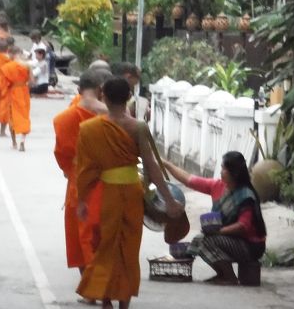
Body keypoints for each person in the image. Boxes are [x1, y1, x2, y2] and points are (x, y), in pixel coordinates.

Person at [76, 77, 184, 309]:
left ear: (103, 96)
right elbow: (152, 166)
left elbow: (86, 169)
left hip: (108, 196)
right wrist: (169, 200)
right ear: (128, 97)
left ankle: (106, 300)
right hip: (132, 194)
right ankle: (123, 302)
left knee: (106, 246)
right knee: (128, 249)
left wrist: (82, 200)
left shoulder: (91, 129)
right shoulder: (138, 127)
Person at [162, 152, 267, 285]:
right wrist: (166, 164)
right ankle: (222, 274)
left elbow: (243, 226)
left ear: (234, 172)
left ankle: (229, 277)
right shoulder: (218, 186)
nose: (221, 172)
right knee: (198, 240)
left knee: (207, 241)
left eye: (224, 168)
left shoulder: (246, 195)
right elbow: (189, 179)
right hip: (232, 239)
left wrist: (218, 232)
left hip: (250, 245)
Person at [53, 69, 112, 304]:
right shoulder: (115, 116)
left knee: (82, 238)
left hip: (79, 183)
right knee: (104, 237)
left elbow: (62, 155)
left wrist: (73, 173)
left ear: (80, 90)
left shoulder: (65, 118)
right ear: (101, 90)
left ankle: (91, 289)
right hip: (111, 183)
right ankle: (107, 287)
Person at [0, 46, 31, 151]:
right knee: (24, 116)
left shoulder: (7, 67)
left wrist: (4, 93)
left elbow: (4, 84)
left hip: (13, 92)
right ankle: (22, 140)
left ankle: (14, 143)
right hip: (24, 92)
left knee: (12, 117)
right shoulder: (26, 65)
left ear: (11, 54)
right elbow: (32, 81)